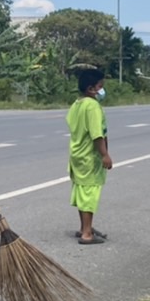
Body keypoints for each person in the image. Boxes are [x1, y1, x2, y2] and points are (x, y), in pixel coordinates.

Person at [67, 66, 112, 244]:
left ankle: (84, 227)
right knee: (89, 193)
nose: (102, 90)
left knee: (81, 190)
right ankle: (87, 233)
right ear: (91, 89)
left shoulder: (77, 104)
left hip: (77, 154)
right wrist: (105, 155)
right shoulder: (92, 106)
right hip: (89, 156)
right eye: (100, 86)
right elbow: (97, 134)